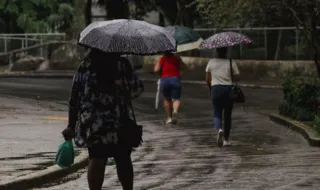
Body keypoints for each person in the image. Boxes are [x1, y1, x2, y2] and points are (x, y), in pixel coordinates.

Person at [62, 48, 144, 190]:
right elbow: (137, 89)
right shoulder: (123, 64)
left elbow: (75, 98)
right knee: (123, 158)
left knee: (97, 157)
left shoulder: (85, 66)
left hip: (94, 123)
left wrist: (71, 125)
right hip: (119, 120)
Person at [205, 47, 240, 147]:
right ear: (226, 52)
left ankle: (219, 129)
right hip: (228, 90)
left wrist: (210, 88)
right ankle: (226, 140)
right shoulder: (230, 62)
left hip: (215, 89)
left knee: (217, 113)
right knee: (227, 115)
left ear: (216, 51)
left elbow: (207, 79)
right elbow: (238, 76)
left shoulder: (211, 62)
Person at [154, 51, 186, 124]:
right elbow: (184, 67)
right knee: (176, 98)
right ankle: (175, 111)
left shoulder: (162, 59)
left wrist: (159, 71)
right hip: (175, 79)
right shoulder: (177, 58)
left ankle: (169, 118)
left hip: (164, 80)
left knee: (167, 98)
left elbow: (156, 70)